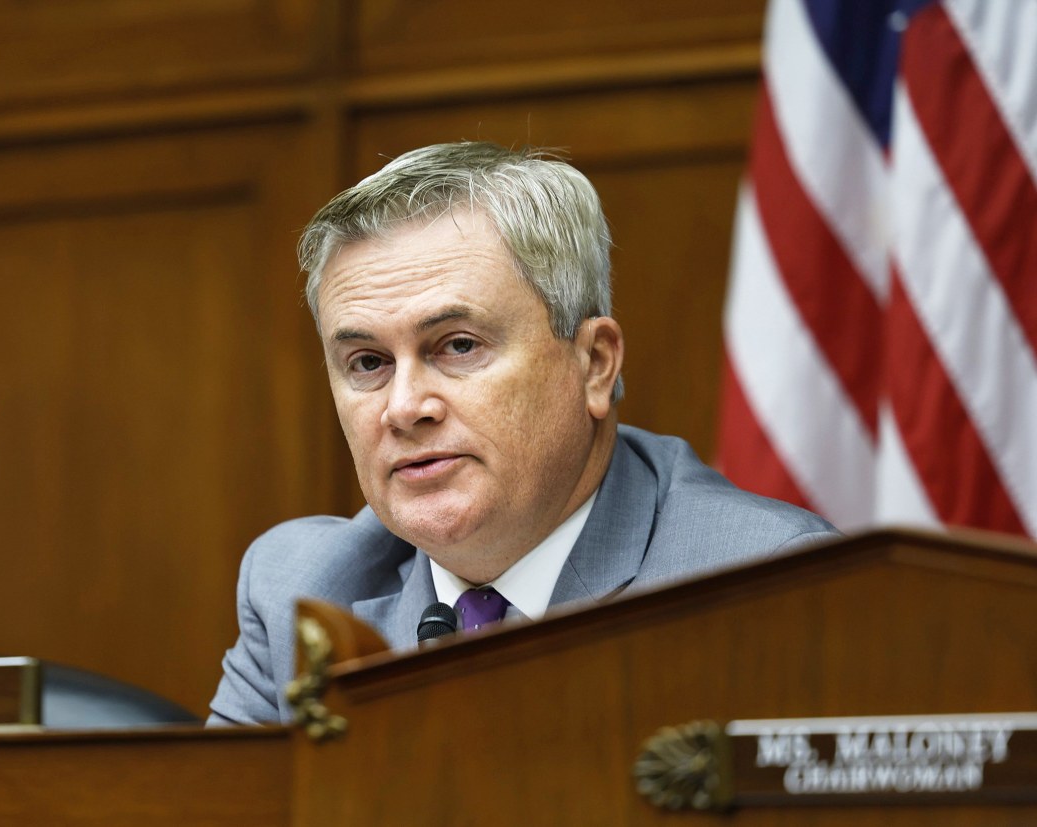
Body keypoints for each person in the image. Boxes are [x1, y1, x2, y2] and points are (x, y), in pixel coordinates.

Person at [208, 141, 837, 725]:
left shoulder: (768, 589)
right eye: (368, 363)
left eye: (458, 346)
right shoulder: (298, 591)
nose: (403, 408)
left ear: (594, 364)